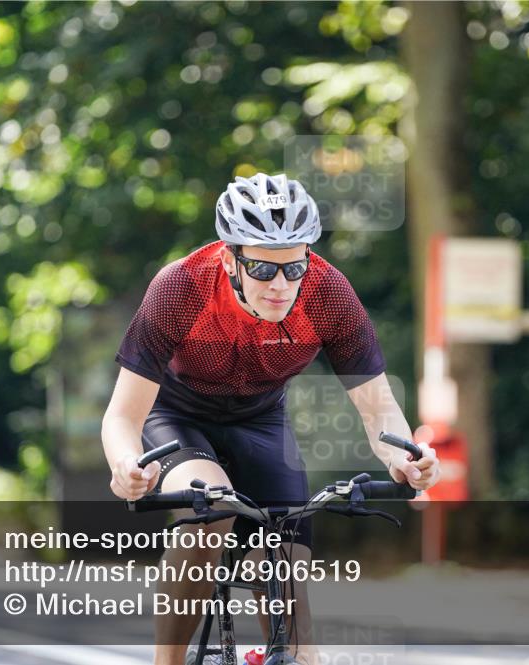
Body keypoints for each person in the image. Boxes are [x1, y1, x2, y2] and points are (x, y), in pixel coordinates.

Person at [102, 172, 441, 665]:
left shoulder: (327, 293)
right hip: (175, 416)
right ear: (228, 258)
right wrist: (126, 465)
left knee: (290, 588)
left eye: (294, 267)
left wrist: (405, 458)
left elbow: (378, 408)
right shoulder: (181, 287)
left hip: (259, 420)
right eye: (262, 268)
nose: (281, 285)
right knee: (210, 508)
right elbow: (121, 416)